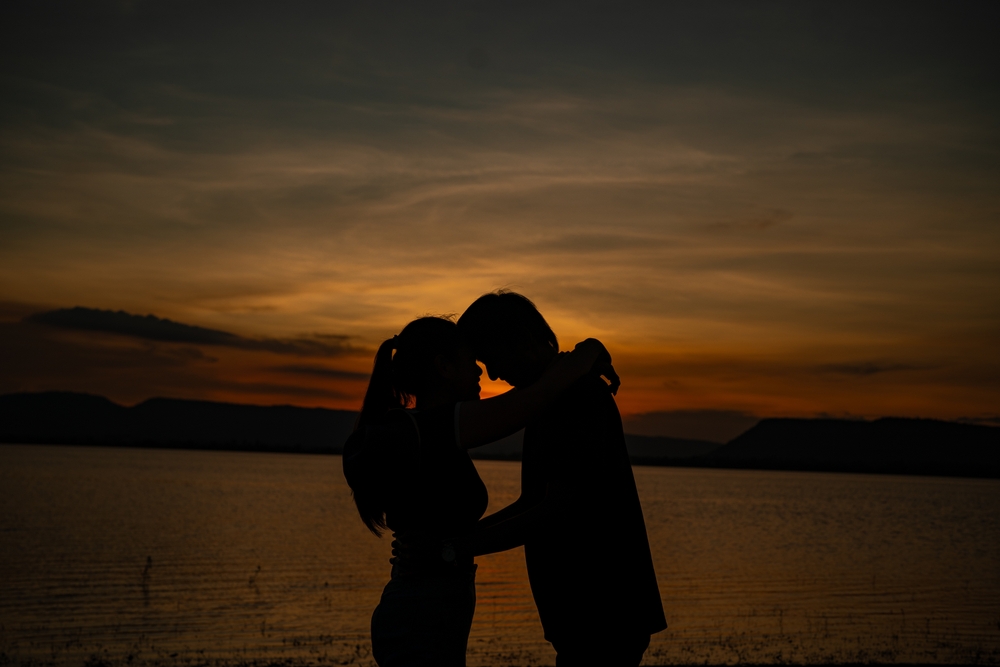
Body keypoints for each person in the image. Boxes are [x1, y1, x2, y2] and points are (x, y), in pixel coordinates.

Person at [342, 315, 619, 667]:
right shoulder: (433, 427)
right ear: (443, 366)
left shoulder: (430, 432)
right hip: (420, 614)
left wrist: (454, 546)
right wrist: (589, 350)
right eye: (472, 362)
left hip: (432, 611)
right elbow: (537, 397)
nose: (481, 374)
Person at [456, 291, 667, 667]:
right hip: (589, 612)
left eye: (491, 357)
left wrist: (456, 548)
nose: (492, 374)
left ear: (519, 342)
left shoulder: (576, 399)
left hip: (602, 608)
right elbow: (536, 501)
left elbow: (556, 508)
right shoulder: (549, 400)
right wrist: (462, 542)